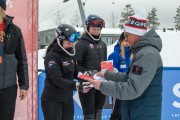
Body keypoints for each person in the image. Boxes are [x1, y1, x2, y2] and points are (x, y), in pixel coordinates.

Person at [85, 7, 163, 120]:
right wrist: (107, 74)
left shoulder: (147, 54)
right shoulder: (142, 52)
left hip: (142, 114)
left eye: (127, 35)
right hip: (136, 112)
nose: (125, 40)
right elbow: (129, 77)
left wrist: (102, 86)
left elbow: (132, 89)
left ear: (136, 33)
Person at [41, 24, 89, 120]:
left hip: (67, 99)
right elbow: (57, 79)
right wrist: (77, 86)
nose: (71, 45)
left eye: (73, 43)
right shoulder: (52, 56)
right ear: (60, 40)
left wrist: (88, 77)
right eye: (68, 43)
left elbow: (76, 73)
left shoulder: (70, 53)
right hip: (52, 101)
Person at [0, 0, 29, 119]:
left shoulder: (15, 30)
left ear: (2, 9)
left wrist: (24, 85)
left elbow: (22, 59)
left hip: (8, 88)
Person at [75, 14, 107, 120]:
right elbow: (75, 67)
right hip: (87, 84)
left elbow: (104, 63)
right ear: (88, 28)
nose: (96, 31)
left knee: (98, 113)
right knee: (89, 115)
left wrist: (108, 71)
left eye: (98, 29)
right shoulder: (80, 44)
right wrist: (89, 74)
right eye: (94, 29)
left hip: (100, 83)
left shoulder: (103, 44)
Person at [108, 32, 131, 120]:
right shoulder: (114, 54)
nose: (127, 43)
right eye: (125, 41)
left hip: (129, 87)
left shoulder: (131, 54)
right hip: (117, 88)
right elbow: (108, 72)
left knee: (125, 113)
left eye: (128, 41)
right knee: (116, 113)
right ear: (121, 41)